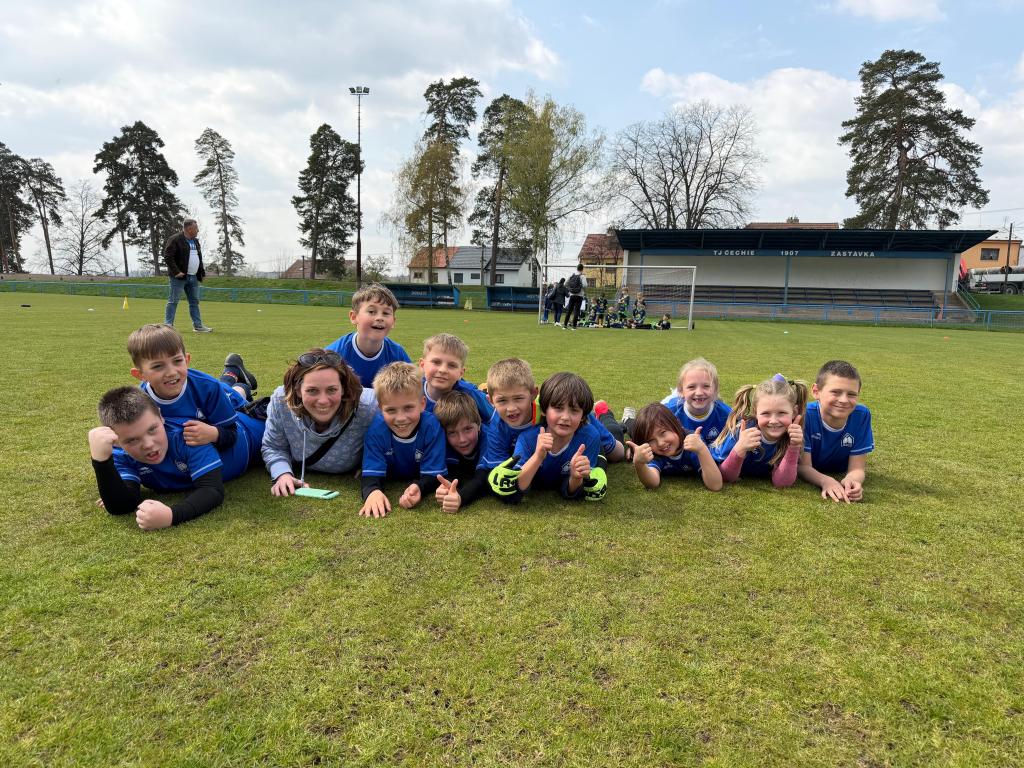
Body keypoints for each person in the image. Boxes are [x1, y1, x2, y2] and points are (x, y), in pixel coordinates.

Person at [89, 386, 264, 530]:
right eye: (132, 440)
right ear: (117, 441)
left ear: (161, 416)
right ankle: (236, 384)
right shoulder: (121, 454)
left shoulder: (188, 436)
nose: (148, 444)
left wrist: (172, 515)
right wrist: (101, 462)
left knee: (236, 400)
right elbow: (122, 505)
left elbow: (212, 490)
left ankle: (239, 386)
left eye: (152, 429)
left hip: (251, 433)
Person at [261, 348, 378, 496]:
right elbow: (273, 446)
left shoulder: (369, 406)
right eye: (312, 391)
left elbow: (406, 416)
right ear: (298, 390)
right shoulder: (281, 401)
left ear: (343, 389)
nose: (323, 401)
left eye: (331, 390)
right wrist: (282, 474)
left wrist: (373, 465)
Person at [128, 324, 257, 453]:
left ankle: (242, 386)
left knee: (233, 395)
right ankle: (232, 371)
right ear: (140, 375)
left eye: (177, 361)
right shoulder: (140, 402)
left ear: (187, 360)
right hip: (212, 388)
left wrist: (213, 433)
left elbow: (232, 433)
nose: (171, 372)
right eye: (158, 366)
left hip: (222, 393)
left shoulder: (208, 388)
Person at [359, 362, 447, 518]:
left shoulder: (432, 427)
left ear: (422, 404)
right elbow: (371, 474)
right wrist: (372, 491)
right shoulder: (376, 430)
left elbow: (435, 475)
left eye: (408, 408)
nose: (400, 418)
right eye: (391, 410)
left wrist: (420, 486)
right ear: (380, 409)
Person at [513, 372, 607, 501]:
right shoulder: (527, 439)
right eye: (558, 408)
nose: (565, 417)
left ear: (583, 416)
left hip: (600, 437)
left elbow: (574, 491)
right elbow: (517, 487)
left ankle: (607, 415)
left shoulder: (589, 438)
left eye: (574, 410)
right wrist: (537, 457)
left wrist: (575, 477)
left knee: (617, 451)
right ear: (545, 410)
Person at [798, 360, 873, 503]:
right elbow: (803, 466)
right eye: (836, 392)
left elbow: (858, 468)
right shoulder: (805, 415)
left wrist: (852, 480)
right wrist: (826, 481)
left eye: (851, 394)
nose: (844, 400)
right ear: (816, 391)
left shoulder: (861, 415)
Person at [711, 375, 808, 487]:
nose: (773, 421)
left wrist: (794, 447)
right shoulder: (742, 431)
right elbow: (726, 476)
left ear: (794, 412)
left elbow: (782, 483)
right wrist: (740, 448)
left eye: (782, 413)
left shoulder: (791, 436)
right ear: (755, 412)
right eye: (766, 413)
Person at [325, 283, 411, 387]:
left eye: (386, 313)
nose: (380, 318)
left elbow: (413, 389)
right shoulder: (334, 354)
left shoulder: (397, 354)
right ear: (353, 317)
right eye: (371, 311)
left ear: (393, 321)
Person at [625, 403, 722, 491]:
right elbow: (652, 483)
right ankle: (628, 419)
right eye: (651, 440)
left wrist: (702, 449)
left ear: (678, 424)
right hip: (638, 433)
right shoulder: (653, 451)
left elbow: (716, 485)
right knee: (632, 429)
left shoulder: (694, 445)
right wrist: (639, 463)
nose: (660, 443)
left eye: (663, 433)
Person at [432, 390, 491, 513]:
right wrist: (447, 486)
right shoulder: (444, 441)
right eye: (452, 433)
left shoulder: (489, 437)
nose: (462, 439)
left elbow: (483, 478)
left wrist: (461, 497)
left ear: (479, 424)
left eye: (468, 429)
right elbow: (454, 472)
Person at [418, 333, 493, 423]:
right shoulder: (411, 391)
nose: (443, 370)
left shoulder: (471, 394)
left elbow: (495, 421)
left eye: (452, 365)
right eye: (436, 362)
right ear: (422, 365)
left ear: (461, 373)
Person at [659, 358, 732, 445]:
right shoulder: (667, 413)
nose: (699, 393)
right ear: (681, 391)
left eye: (706, 386)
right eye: (691, 387)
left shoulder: (727, 415)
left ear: (715, 390)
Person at [163, 218, 212, 333]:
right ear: (189, 229)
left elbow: (199, 258)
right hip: (179, 278)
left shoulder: (195, 241)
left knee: (194, 302)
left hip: (193, 277)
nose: (198, 230)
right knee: (173, 301)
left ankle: (198, 326)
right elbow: (168, 257)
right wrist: (177, 272)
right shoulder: (175, 239)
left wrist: (202, 272)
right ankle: (168, 325)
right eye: (196, 228)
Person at [563, 264, 587, 329]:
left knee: (569, 310)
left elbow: (565, 284)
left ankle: (565, 325)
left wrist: (570, 289)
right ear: (582, 269)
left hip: (572, 295)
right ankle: (574, 326)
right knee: (576, 311)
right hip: (579, 295)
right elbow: (585, 285)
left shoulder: (572, 275)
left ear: (577, 268)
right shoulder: (582, 276)